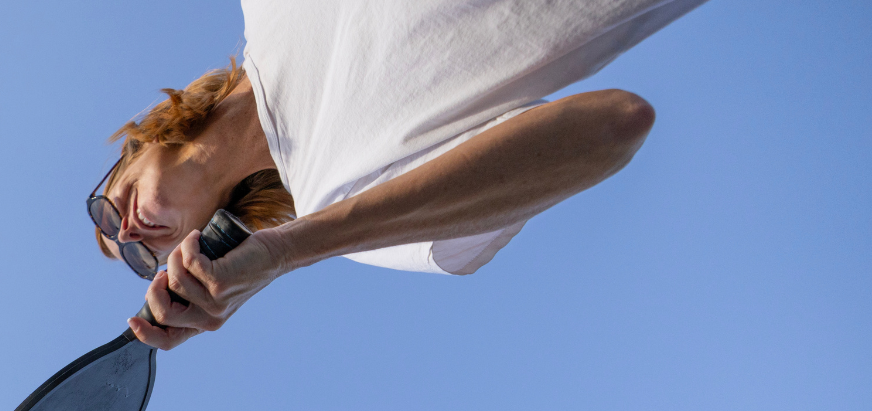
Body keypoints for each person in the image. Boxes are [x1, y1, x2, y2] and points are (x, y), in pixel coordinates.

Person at [91, 0, 708, 352]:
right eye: (144, 258)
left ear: (138, 145)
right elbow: (612, 126)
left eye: (108, 213)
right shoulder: (349, 207)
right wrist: (285, 251)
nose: (129, 237)